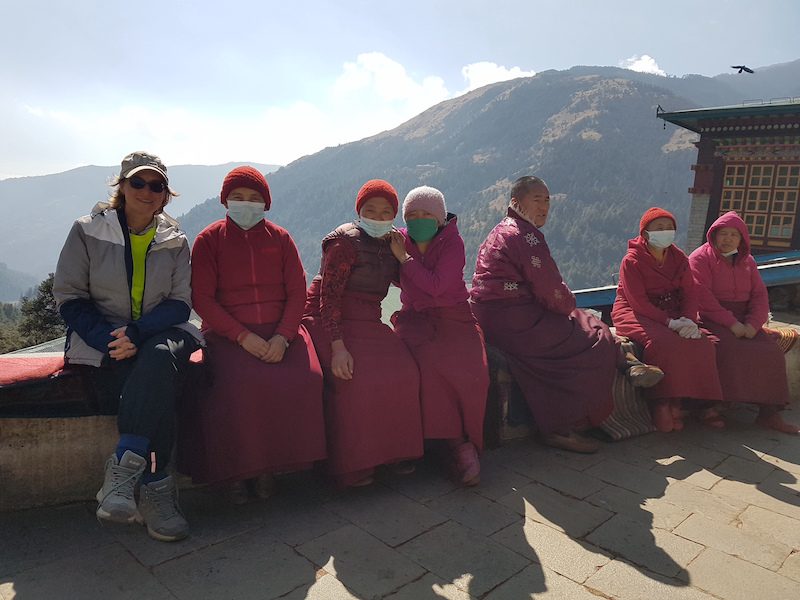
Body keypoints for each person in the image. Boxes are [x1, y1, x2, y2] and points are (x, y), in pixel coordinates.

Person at [53, 151, 203, 542]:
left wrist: (135, 332)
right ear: (121, 186)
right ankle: (156, 487)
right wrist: (110, 339)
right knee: (158, 380)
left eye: (157, 186)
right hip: (101, 334)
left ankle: (122, 468)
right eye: (138, 182)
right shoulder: (87, 230)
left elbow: (179, 301)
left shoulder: (175, 239)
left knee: (157, 356)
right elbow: (69, 295)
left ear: (166, 195)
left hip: (159, 328)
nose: (147, 191)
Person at [182, 166, 327, 503]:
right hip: (229, 335)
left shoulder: (281, 239)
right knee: (235, 385)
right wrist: (241, 336)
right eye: (238, 198)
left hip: (282, 332)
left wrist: (283, 336)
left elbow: (297, 292)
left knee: (308, 377)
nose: (246, 204)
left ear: (266, 204)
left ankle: (272, 467)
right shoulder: (208, 241)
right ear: (225, 200)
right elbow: (202, 297)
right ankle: (234, 473)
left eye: (254, 199)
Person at [470, 176, 630, 453]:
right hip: (516, 321)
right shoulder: (526, 236)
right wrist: (567, 305)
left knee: (583, 320)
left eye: (547, 200)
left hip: (491, 317)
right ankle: (564, 425)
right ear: (516, 201)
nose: (544, 206)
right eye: (537, 199)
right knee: (595, 335)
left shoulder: (501, 230)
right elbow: (552, 291)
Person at [302, 179, 424, 487]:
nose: (379, 218)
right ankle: (351, 465)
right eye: (371, 210)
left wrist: (402, 256)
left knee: (404, 369)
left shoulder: (391, 243)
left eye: (386, 212)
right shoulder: (344, 242)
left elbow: (410, 283)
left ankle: (392, 453)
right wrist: (338, 347)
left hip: (367, 320)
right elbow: (327, 299)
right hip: (328, 318)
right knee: (353, 376)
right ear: (359, 211)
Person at [388, 186, 488, 485]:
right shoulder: (401, 239)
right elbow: (391, 276)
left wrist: (404, 259)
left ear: (440, 218)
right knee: (422, 364)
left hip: (454, 318)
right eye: (411, 215)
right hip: (415, 319)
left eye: (426, 215)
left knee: (470, 367)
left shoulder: (451, 242)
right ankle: (433, 443)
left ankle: (460, 440)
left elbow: (436, 286)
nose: (419, 220)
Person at [612, 207, 723, 432]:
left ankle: (697, 404)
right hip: (635, 312)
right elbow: (638, 302)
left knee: (703, 344)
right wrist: (670, 324)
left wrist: (690, 320)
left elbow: (690, 292)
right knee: (664, 343)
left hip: (674, 311)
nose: (666, 232)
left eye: (669, 227)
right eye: (659, 228)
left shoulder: (679, 257)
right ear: (645, 233)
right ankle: (662, 403)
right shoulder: (631, 260)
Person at [688, 211, 798, 434]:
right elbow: (702, 297)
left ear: (742, 239)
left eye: (733, 235)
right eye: (723, 234)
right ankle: (711, 407)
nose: (727, 239)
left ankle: (769, 414)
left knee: (770, 351)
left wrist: (753, 324)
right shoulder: (700, 258)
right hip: (711, 317)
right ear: (714, 235)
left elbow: (759, 296)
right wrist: (731, 324)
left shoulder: (747, 261)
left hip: (745, 319)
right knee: (724, 348)